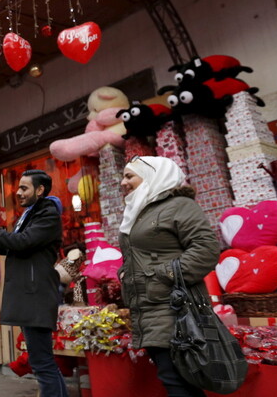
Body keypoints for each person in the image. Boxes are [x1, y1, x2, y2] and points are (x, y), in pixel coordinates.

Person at [117, 156, 220, 397]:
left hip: (175, 307)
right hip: (149, 308)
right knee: (178, 381)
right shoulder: (140, 211)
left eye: (129, 175)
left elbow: (206, 249)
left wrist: (163, 274)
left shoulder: (179, 206)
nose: (123, 182)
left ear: (154, 175)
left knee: (177, 381)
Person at [0, 169, 68, 397]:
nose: (19, 193)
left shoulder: (47, 214)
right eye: (19, 187)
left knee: (42, 364)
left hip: (35, 295)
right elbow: (6, 247)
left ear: (40, 190)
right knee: (43, 363)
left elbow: (20, 243)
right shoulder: (31, 215)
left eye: (24, 188)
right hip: (30, 295)